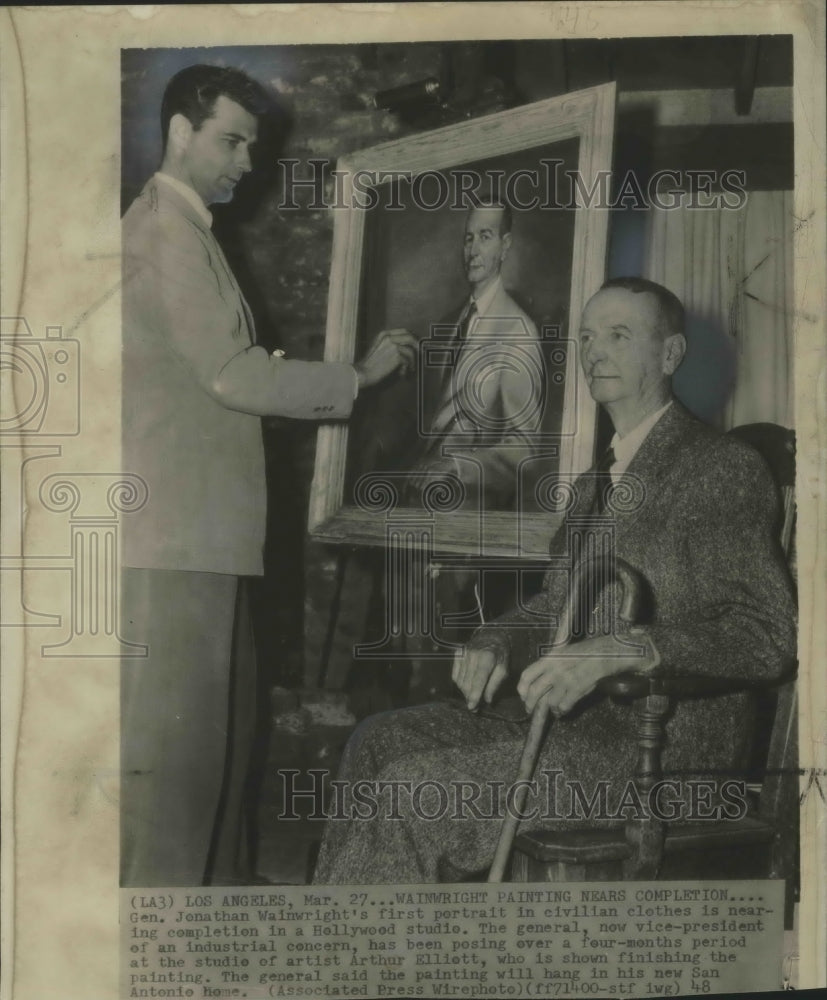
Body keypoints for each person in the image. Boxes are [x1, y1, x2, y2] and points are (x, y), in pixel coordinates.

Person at [312, 276, 796, 884]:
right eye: (588, 336)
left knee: (414, 790)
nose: (595, 351)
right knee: (375, 740)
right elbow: (557, 606)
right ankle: (354, 958)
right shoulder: (600, 479)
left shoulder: (721, 468)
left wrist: (624, 648)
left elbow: (766, 635)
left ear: (670, 355)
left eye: (619, 335)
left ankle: (362, 970)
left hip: (664, 757)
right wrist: (497, 641)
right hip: (579, 729)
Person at [119, 64, 415, 887]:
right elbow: (234, 375)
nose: (246, 161)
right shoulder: (165, 234)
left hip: (197, 534)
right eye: (231, 140)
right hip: (177, 537)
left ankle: (210, 909)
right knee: (176, 770)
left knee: (219, 742)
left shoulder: (180, 229)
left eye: (252, 144)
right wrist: (357, 376)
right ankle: (161, 946)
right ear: (180, 133)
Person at [408, 198, 545, 512]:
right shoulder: (449, 322)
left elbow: (525, 449)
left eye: (485, 237)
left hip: (470, 515)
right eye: (468, 238)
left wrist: (456, 466)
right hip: (418, 504)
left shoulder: (518, 331)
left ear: (505, 245)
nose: (472, 250)